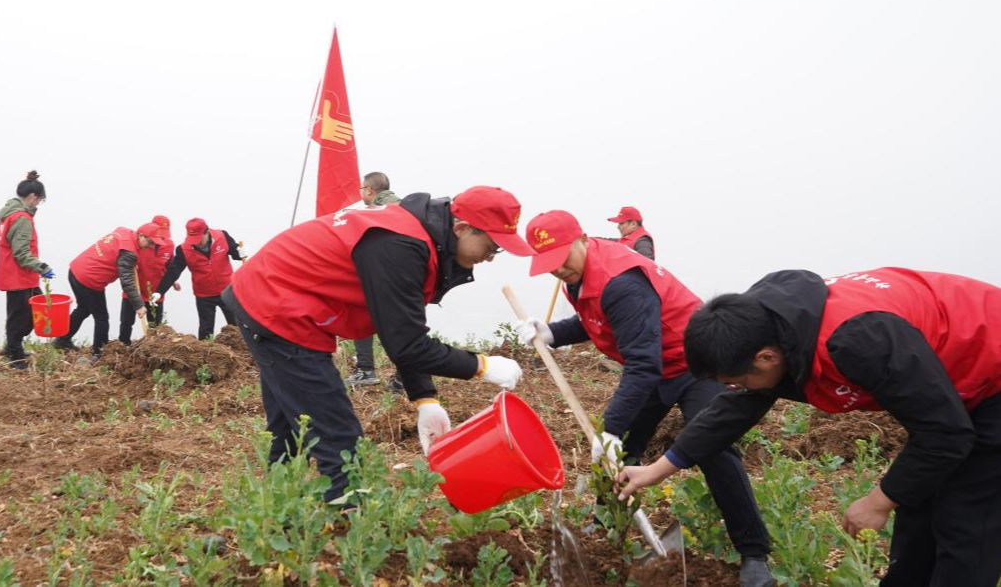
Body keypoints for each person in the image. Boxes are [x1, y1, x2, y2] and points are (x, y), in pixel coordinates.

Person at [615, 267, 1001, 587]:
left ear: (765, 358)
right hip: (948, 381)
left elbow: (946, 434)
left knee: (966, 522)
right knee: (918, 513)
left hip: (991, 369)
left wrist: (879, 500)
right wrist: (657, 469)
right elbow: (735, 407)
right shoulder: (768, 323)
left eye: (737, 380)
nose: (735, 390)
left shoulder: (857, 341)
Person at [225, 185, 531, 502]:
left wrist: (425, 399)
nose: (490, 258)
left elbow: (399, 326)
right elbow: (407, 344)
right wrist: (481, 366)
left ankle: (276, 510)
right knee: (340, 439)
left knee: (293, 423)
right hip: (276, 305)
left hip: (271, 296)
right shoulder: (400, 244)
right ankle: (350, 528)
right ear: (463, 228)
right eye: (491, 247)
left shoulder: (423, 238)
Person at [517, 210, 773, 587]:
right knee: (623, 450)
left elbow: (642, 362)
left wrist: (613, 428)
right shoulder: (580, 273)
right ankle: (607, 520)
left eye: (560, 259)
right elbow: (603, 321)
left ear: (582, 239)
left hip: (694, 364)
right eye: (548, 265)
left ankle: (754, 553)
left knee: (713, 446)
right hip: (654, 362)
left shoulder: (622, 280)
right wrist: (553, 332)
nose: (557, 270)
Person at [56, 223, 168, 356]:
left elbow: (120, 254)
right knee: (102, 318)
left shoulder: (124, 232)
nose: (151, 246)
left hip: (75, 270)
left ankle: (62, 340)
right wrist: (138, 305)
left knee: (83, 309)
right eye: (150, 242)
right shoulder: (129, 253)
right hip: (90, 279)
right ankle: (99, 353)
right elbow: (126, 281)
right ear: (141, 235)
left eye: (153, 244)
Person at [346, 171, 403, 388]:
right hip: (404, 276)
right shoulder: (406, 206)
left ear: (369, 190)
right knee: (401, 326)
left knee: (362, 317)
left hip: (382, 276)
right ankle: (403, 377)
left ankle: (366, 370)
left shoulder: (374, 211)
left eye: (362, 189)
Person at [0, 171, 54, 368]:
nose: (38, 205)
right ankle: (14, 354)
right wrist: (42, 267)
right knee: (23, 317)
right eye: (40, 201)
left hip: (16, 275)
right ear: (32, 197)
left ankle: (13, 347)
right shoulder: (21, 218)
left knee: (26, 313)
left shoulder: (9, 215)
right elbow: (21, 253)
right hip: (19, 276)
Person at [155, 218, 244, 340]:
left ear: (206, 232)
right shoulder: (184, 249)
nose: (196, 242)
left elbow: (236, 254)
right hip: (204, 295)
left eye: (198, 238)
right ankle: (206, 357)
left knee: (237, 327)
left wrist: (240, 253)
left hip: (227, 291)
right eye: (193, 239)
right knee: (206, 330)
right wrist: (159, 292)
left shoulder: (222, 236)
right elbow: (173, 271)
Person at [118, 214, 177, 344]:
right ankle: (122, 347)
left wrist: (172, 281)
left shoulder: (169, 245)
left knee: (155, 326)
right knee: (126, 323)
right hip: (135, 291)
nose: (161, 237)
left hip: (155, 293)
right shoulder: (139, 244)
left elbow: (170, 265)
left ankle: (151, 349)